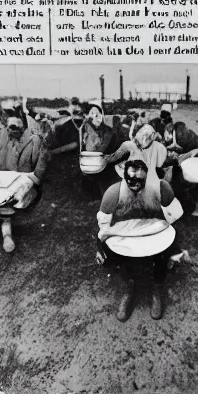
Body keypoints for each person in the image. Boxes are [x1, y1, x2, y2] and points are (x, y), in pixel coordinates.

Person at [96, 159, 186, 322]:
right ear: (124, 177)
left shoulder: (161, 188)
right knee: (109, 252)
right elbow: (103, 226)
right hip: (125, 234)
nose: (135, 184)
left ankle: (157, 287)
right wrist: (102, 246)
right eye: (131, 180)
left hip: (155, 231)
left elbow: (176, 216)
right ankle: (128, 286)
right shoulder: (113, 193)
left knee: (168, 250)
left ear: (147, 177)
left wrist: (170, 241)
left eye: (140, 180)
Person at [0, 104, 51, 253]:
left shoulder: (36, 139)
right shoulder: (0, 134)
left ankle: (7, 234)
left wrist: (21, 182)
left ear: (24, 125)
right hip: (1, 183)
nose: (13, 131)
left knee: (7, 198)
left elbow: (39, 176)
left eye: (18, 127)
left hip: (27, 186)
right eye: (10, 127)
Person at [80, 101, 124, 195]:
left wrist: (90, 128)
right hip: (89, 167)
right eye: (92, 113)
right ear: (87, 116)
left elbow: (99, 149)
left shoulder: (109, 132)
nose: (96, 115)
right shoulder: (83, 130)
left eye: (98, 113)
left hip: (105, 167)